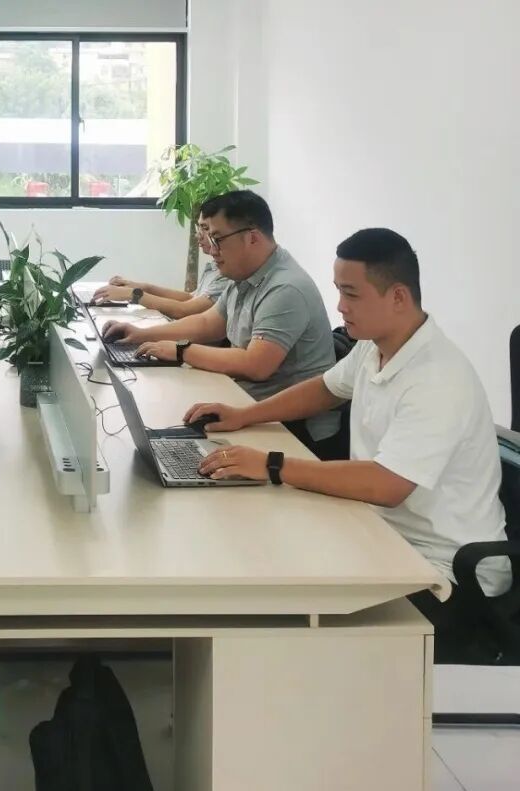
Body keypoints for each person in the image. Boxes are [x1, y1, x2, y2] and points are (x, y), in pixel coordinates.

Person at [185, 228, 511, 658]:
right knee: (260, 547)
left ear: (398, 297)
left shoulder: (437, 379)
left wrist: (272, 465)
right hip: (380, 534)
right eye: (339, 291)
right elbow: (326, 388)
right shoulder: (374, 347)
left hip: (444, 572)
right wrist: (245, 415)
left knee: (281, 597)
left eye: (351, 294)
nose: (340, 306)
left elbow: (388, 485)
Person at [102, 190, 341, 457]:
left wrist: (182, 351)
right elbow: (207, 323)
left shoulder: (285, 288)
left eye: (217, 239)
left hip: (294, 428)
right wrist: (142, 334)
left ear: (252, 237)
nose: (210, 249)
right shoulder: (244, 275)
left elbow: (256, 365)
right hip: (252, 404)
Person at [90, 214, 231, 319]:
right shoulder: (214, 266)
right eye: (199, 228)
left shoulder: (228, 275)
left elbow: (184, 310)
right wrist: (142, 287)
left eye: (205, 228)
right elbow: (190, 297)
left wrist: (133, 294)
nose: (198, 235)